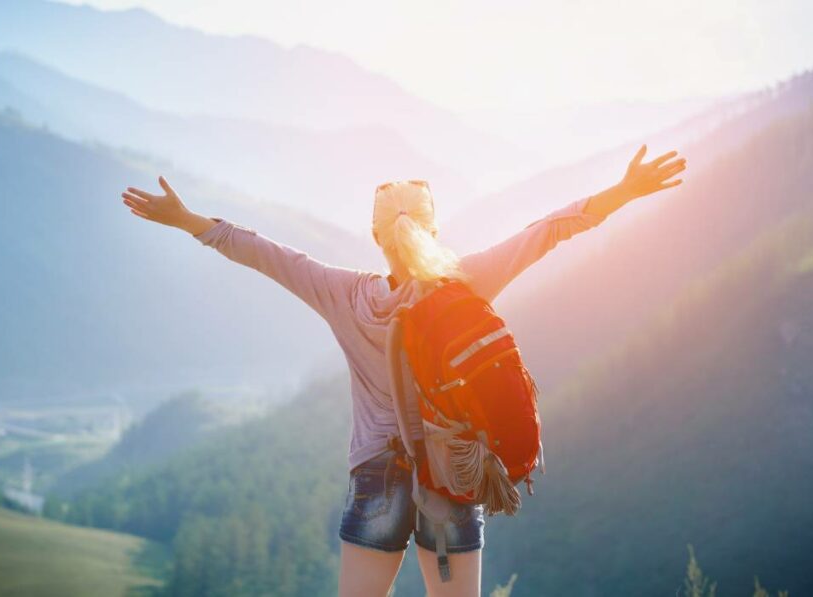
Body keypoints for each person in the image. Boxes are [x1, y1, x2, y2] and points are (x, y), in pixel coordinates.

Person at [120, 145, 685, 597]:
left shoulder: (344, 295)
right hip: (449, 474)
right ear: (433, 231)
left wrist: (185, 219)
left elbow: (262, 251)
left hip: (376, 479)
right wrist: (624, 191)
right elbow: (549, 230)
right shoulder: (463, 283)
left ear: (375, 236)